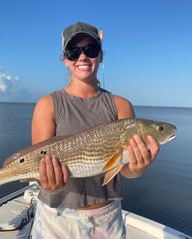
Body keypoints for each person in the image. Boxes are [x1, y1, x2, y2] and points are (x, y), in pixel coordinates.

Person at [30, 22, 159, 239]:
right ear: (64, 59)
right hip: (56, 218)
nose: (82, 57)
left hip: (106, 219)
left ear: (100, 56)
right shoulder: (47, 104)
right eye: (73, 52)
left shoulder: (121, 105)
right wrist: (48, 182)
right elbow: (39, 165)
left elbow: (123, 168)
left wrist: (138, 168)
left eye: (91, 50)